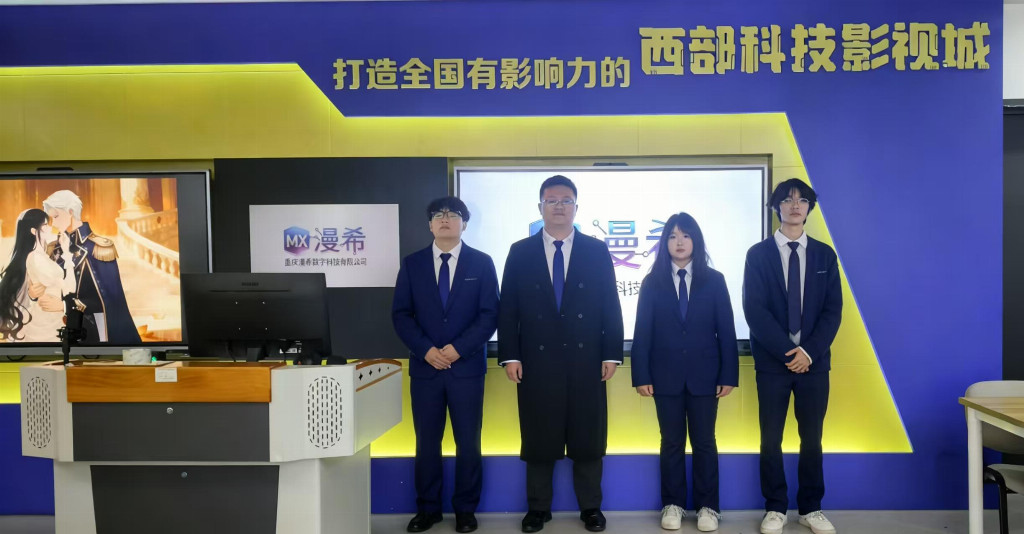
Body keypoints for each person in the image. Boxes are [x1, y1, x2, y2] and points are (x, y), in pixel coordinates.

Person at [498, 175, 624, 533]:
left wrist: (612, 353)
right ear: (540, 207)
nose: (558, 206)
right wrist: (510, 355)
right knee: (539, 435)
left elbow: (610, 304)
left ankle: (591, 508)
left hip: (587, 359)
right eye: (551, 200)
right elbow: (508, 308)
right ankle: (538, 509)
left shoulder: (596, 250)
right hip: (536, 361)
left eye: (566, 200)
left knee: (588, 436)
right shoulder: (520, 251)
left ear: (576, 208)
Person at [391, 196, 499, 534]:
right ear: (429, 224)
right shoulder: (413, 264)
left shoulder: (481, 263)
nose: (445, 219)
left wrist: (458, 349)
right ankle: (428, 509)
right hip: (426, 369)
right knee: (426, 443)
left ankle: (465, 510)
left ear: (464, 224)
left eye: (453, 214)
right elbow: (401, 315)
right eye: (438, 215)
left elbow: (490, 315)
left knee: (468, 442)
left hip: (466, 369)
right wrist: (426, 350)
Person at [743, 179, 842, 534]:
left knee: (812, 438)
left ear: (810, 207)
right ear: (777, 208)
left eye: (802, 200)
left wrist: (808, 353)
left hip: (814, 365)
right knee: (770, 438)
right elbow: (754, 311)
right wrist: (789, 353)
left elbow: (832, 312)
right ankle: (775, 507)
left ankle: (811, 508)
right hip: (773, 364)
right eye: (787, 200)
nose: (795, 205)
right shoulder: (758, 255)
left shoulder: (825, 255)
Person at [631, 212, 738, 532]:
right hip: (664, 376)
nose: (679, 242)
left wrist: (728, 375)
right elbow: (643, 332)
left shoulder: (714, 280)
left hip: (706, 376)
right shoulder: (652, 282)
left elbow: (726, 331)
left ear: (696, 241)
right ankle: (673, 504)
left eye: (686, 235)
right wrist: (641, 375)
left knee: (705, 442)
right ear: (664, 243)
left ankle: (709, 507)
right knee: (671, 442)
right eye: (673, 236)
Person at [42, 190, 140, 344]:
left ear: (70, 212)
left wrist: (65, 305)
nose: (53, 223)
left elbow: (109, 300)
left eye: (56, 216)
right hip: (56, 329)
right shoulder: (54, 249)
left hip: (92, 331)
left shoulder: (99, 249)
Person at [0, 209, 77, 342]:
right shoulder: (35, 258)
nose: (50, 228)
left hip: (52, 317)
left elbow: (68, 287)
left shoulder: (43, 257)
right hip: (45, 320)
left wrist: (66, 252)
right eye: (45, 225)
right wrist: (67, 256)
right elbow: (69, 288)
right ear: (33, 231)